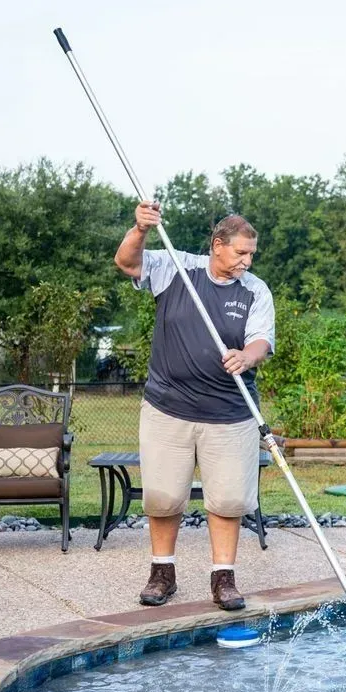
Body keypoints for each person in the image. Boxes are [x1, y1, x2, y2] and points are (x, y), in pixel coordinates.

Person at [114, 201, 275, 611]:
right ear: (217, 246)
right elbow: (127, 262)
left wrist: (248, 356)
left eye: (251, 253)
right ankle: (162, 574)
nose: (247, 260)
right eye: (240, 252)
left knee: (228, 501)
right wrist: (140, 229)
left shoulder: (255, 290)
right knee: (164, 497)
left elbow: (262, 341)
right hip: (168, 408)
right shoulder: (177, 268)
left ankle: (223, 579)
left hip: (230, 414)